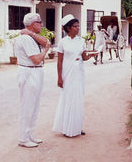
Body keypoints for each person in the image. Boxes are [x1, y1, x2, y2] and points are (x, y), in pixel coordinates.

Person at [53, 14, 98, 137]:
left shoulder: (81, 41)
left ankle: (76, 126)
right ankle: (67, 127)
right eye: (75, 26)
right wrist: (59, 77)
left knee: (78, 98)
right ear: (68, 28)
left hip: (79, 72)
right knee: (68, 99)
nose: (77, 28)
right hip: (68, 73)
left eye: (78, 26)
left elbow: (84, 57)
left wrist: (92, 55)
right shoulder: (62, 42)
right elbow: (60, 61)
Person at [14, 13, 51, 148]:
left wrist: (33, 34)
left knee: (34, 106)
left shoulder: (31, 37)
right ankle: (23, 138)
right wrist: (45, 51)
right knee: (27, 106)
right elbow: (35, 59)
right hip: (29, 71)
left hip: (35, 71)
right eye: (39, 22)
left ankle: (29, 134)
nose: (41, 24)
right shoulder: (25, 39)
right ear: (31, 24)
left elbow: (47, 42)